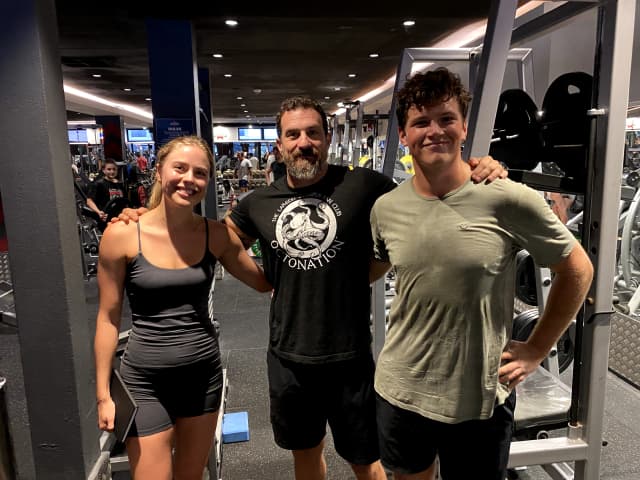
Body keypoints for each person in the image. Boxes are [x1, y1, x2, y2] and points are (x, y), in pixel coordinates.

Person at [115, 96, 506, 480]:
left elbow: (426, 193)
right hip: (288, 358)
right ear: (280, 145)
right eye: (294, 134)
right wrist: (149, 219)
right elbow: (209, 237)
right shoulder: (258, 203)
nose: (304, 142)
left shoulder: (364, 184)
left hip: (349, 356)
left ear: (327, 138)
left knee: (366, 462)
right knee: (306, 455)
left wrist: (475, 167)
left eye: (313, 133)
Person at [368, 68, 594, 480]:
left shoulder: (505, 196)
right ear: (403, 135)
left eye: (446, 119)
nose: (434, 131)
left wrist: (537, 348)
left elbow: (577, 269)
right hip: (401, 389)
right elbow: (375, 266)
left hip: (478, 398)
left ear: (464, 127)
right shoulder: (387, 208)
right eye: (420, 122)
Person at [94, 135, 271, 480]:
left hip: (202, 378)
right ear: (159, 171)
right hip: (144, 381)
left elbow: (264, 282)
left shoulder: (215, 235)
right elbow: (107, 318)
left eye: (200, 173)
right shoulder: (123, 235)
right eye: (180, 168)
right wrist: (103, 393)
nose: (189, 179)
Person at [86, 158, 127, 231]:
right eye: (109, 169)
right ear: (103, 170)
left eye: (114, 169)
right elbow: (89, 201)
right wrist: (99, 212)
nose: (112, 171)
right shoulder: (99, 184)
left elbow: (125, 201)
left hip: (120, 219)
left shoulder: (120, 184)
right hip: (106, 220)